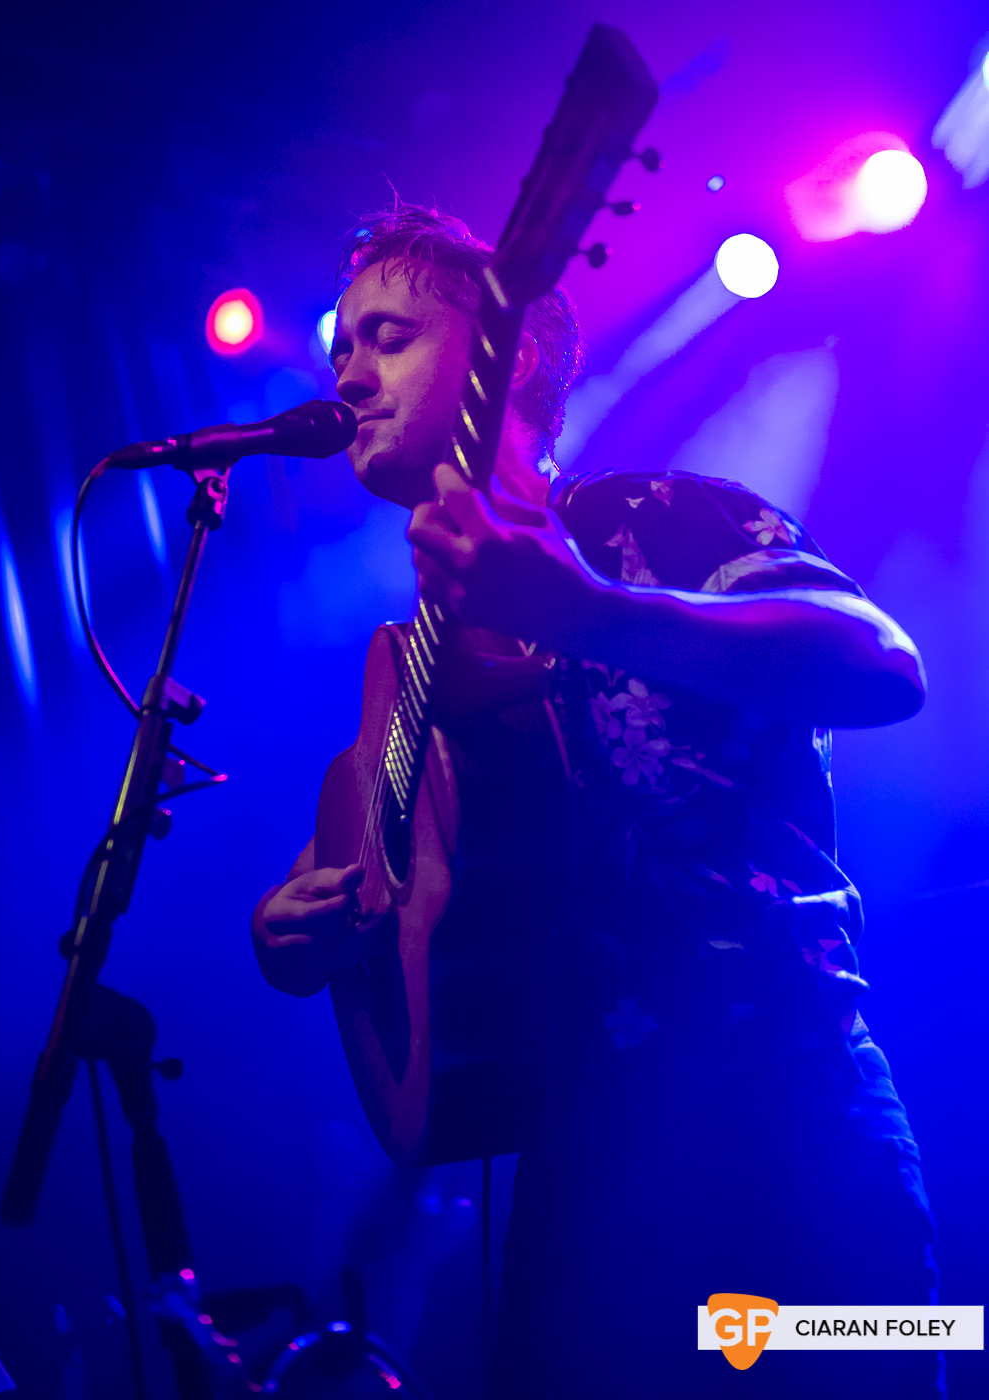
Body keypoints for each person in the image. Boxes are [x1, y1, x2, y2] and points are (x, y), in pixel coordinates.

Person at [251, 208, 943, 1397]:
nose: (348, 373)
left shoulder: (646, 519)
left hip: (783, 1118)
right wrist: (326, 924)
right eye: (341, 348)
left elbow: (882, 666)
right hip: (575, 1177)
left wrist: (590, 612)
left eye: (389, 336)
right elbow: (472, 902)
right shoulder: (420, 651)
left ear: (507, 354)